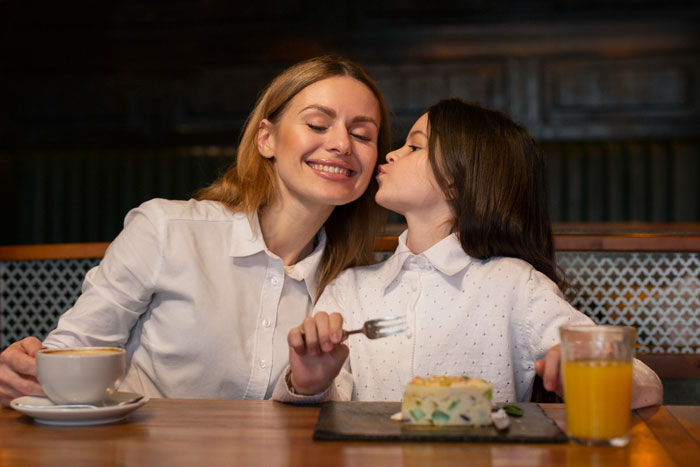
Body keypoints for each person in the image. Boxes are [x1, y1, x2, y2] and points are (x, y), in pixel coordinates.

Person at [0, 55, 392, 406]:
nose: (341, 144)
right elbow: (72, 355)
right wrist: (24, 375)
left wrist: (308, 387)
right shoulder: (166, 230)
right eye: (318, 124)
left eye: (362, 135)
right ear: (266, 138)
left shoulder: (355, 286)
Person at [273, 98, 662, 407]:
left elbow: (645, 384)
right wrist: (309, 382)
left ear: (458, 180)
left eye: (414, 146)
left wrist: (587, 370)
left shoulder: (516, 285)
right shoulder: (350, 289)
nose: (390, 154)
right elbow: (325, 406)